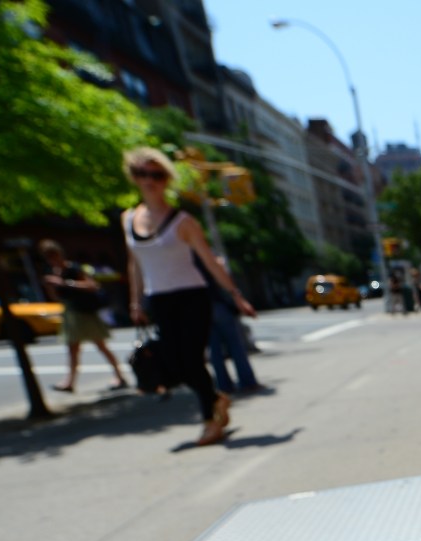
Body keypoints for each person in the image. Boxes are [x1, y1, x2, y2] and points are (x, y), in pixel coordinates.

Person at [122, 146, 256, 446]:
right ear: (133, 177)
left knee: (192, 359)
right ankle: (216, 399)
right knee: (175, 363)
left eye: (155, 174)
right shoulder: (128, 219)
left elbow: (210, 262)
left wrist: (235, 296)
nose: (148, 180)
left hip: (192, 296)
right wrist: (135, 301)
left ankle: (210, 421)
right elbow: (135, 263)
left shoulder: (183, 221)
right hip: (159, 299)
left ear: (166, 179)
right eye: (141, 173)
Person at [40, 239, 127, 393]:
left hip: (85, 312)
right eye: (48, 257)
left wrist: (65, 283)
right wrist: (50, 286)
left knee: (101, 346)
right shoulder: (53, 273)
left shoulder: (73, 269)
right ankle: (70, 382)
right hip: (71, 313)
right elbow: (56, 298)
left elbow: (92, 285)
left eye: (53, 255)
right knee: (72, 349)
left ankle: (119, 376)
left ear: (60, 254)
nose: (52, 260)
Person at [201, 255, 262, 395]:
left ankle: (224, 386)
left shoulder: (186, 262)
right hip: (218, 306)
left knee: (214, 350)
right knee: (235, 345)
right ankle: (247, 381)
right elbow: (221, 277)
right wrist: (237, 296)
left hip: (201, 309)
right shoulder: (208, 260)